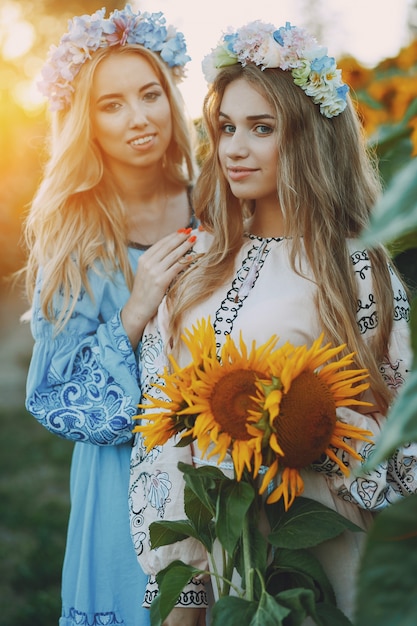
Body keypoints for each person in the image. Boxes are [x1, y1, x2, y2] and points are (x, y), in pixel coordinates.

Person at [128, 19, 417, 626]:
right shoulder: (194, 261)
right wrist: (183, 596)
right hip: (221, 557)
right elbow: (158, 446)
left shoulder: (354, 267)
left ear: (311, 137)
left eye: (262, 128)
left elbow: (396, 431)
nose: (235, 148)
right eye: (226, 128)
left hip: (319, 544)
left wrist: (303, 431)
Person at [23, 5, 199, 626]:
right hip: (125, 474)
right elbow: (55, 393)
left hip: (230, 450)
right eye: (111, 104)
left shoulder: (216, 198)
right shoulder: (72, 233)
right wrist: (135, 308)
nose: (139, 118)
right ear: (85, 123)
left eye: (149, 94)